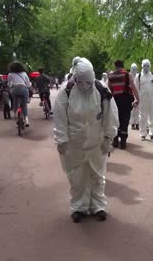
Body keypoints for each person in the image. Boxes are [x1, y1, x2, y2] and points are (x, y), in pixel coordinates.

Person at [53, 58, 119, 223]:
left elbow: (110, 115)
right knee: (76, 176)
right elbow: (60, 117)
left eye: (88, 82)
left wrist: (108, 138)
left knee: (97, 175)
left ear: (93, 78)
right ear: (75, 79)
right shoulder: (65, 91)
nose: (84, 86)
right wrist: (61, 141)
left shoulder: (102, 91)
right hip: (74, 144)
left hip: (96, 142)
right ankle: (79, 206)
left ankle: (98, 206)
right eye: (80, 82)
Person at [107, 60, 140, 150]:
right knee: (124, 120)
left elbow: (109, 90)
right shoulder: (127, 75)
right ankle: (123, 142)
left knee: (115, 119)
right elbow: (133, 87)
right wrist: (138, 99)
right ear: (123, 66)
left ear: (115, 66)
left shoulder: (111, 76)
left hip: (115, 101)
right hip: (125, 100)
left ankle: (115, 140)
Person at [136, 59, 153, 140]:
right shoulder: (138, 76)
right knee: (143, 116)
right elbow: (136, 88)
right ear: (142, 66)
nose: (146, 67)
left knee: (152, 115)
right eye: (145, 65)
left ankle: (152, 132)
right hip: (142, 99)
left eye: (148, 66)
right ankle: (143, 133)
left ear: (150, 66)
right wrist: (136, 99)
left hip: (152, 99)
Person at [8, 61, 31, 126]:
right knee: (24, 105)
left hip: (15, 89)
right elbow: (28, 84)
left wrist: (11, 88)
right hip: (24, 89)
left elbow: (9, 84)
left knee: (15, 100)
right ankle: (26, 120)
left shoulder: (10, 74)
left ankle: (15, 113)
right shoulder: (24, 73)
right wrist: (28, 87)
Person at [129, 63, 140, 131]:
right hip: (131, 96)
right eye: (133, 69)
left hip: (138, 95)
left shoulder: (139, 76)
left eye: (136, 69)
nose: (134, 70)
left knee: (138, 110)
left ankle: (137, 123)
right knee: (132, 110)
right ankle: (132, 123)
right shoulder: (129, 76)